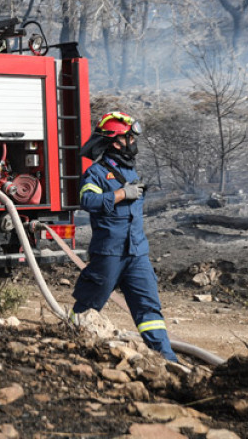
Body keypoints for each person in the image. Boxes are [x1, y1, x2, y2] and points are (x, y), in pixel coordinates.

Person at [72, 111, 178, 362]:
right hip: (109, 253)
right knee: (87, 307)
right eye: (130, 138)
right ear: (116, 141)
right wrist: (120, 195)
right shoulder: (96, 173)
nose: (133, 143)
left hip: (136, 252)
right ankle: (68, 346)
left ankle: (168, 360)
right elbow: (87, 200)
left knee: (149, 308)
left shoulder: (130, 172)